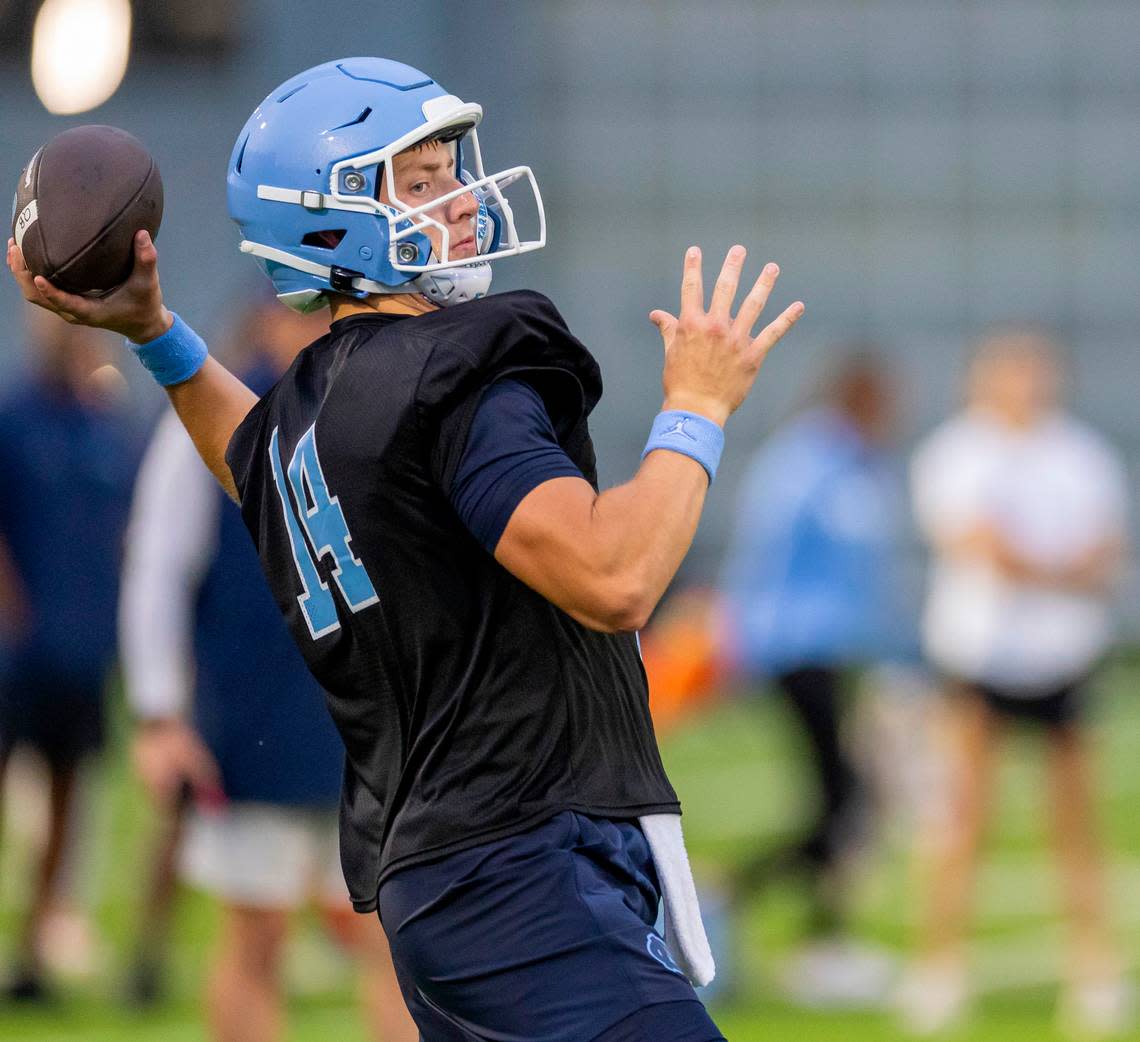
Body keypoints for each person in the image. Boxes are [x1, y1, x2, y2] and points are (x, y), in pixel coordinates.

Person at [7, 56, 803, 1041]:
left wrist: (156, 334)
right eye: (419, 183)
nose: (463, 199)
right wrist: (697, 404)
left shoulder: (308, 410)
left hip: (442, 883)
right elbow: (615, 576)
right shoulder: (457, 372)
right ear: (327, 217)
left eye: (452, 170)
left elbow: (247, 454)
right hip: (528, 871)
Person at [120, 295, 416, 1042]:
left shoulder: (376, 406)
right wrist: (159, 713)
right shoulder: (213, 410)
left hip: (375, 727)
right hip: (255, 715)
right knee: (257, 937)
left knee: (404, 939)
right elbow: (160, 563)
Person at [903, 328, 1130, 1036]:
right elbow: (976, 543)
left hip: (1063, 659)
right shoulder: (956, 452)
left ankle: (1095, 969)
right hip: (980, 661)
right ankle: (938, 967)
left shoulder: (1083, 454)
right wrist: (1058, 571)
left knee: (1077, 824)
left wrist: (1055, 569)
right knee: (961, 819)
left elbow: (1107, 548)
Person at [717, 353, 908, 1005]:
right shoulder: (805, 461)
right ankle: (741, 896)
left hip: (834, 649)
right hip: (794, 646)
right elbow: (763, 554)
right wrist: (742, 644)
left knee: (841, 799)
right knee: (839, 798)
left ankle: (822, 937)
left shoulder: (856, 463)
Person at [0, 309, 139, 1000]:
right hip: (16, 657)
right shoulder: (13, 417)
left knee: (67, 802)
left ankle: (33, 949)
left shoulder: (106, 427)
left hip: (84, 653)